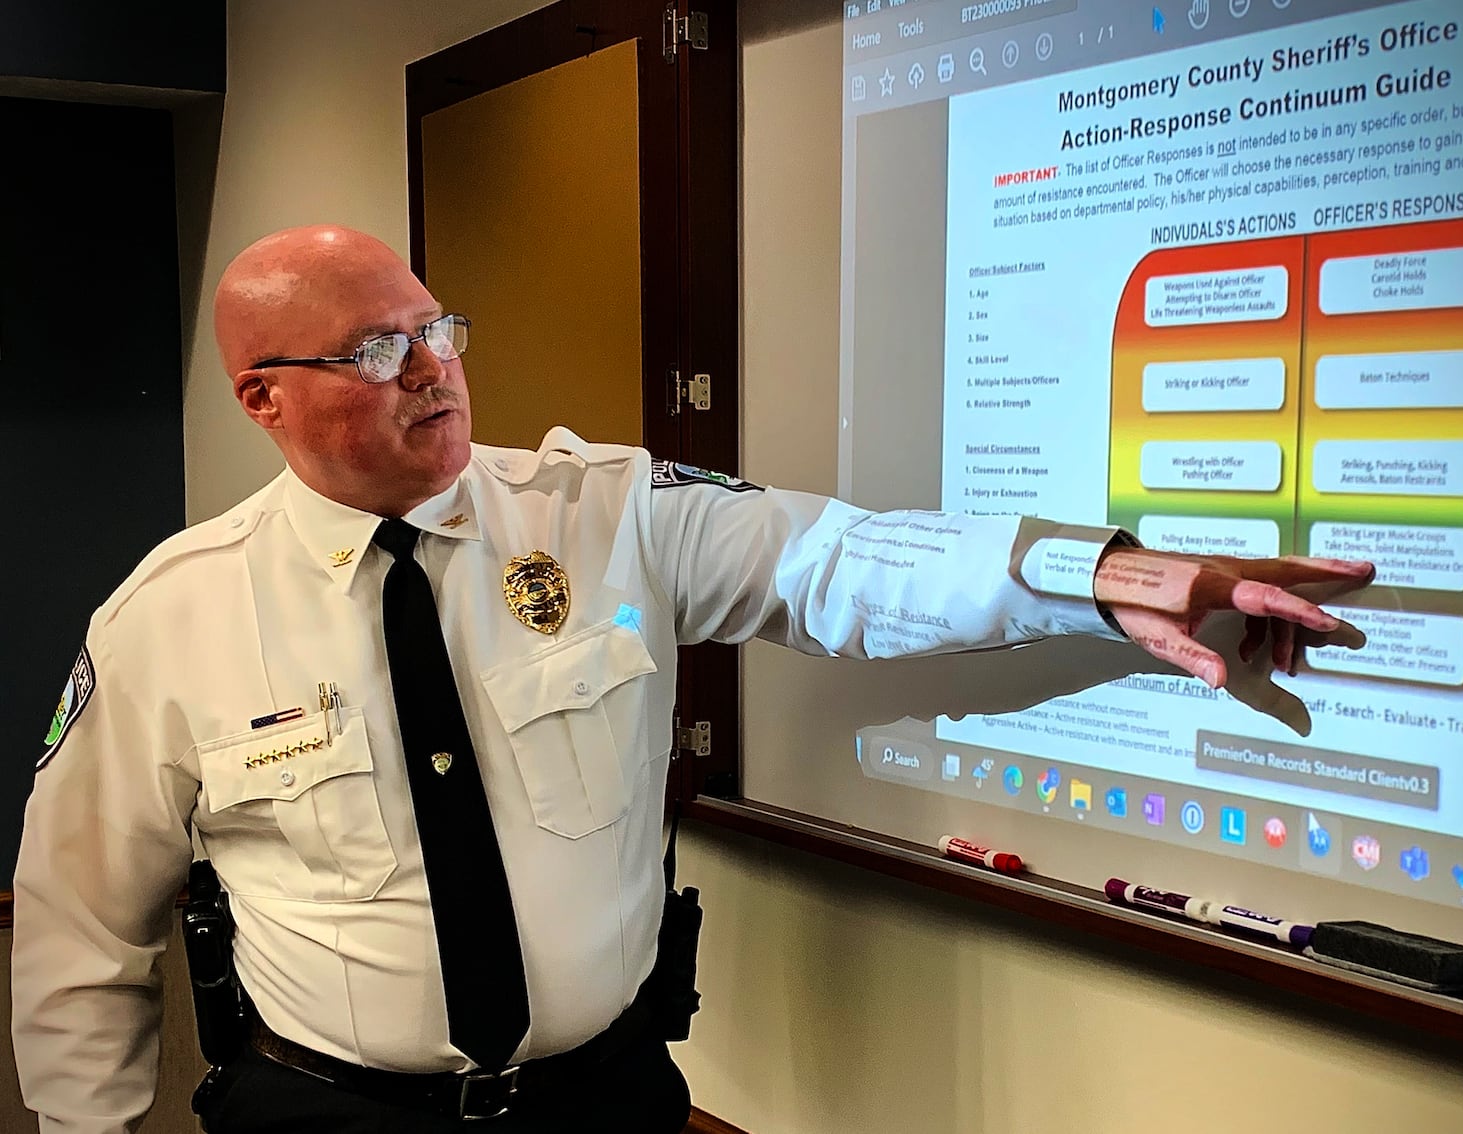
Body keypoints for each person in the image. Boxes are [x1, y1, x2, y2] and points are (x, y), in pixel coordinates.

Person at [10, 225, 1373, 1133]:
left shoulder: (611, 511)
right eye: (378, 351)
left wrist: (1109, 573)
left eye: (439, 328)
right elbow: (80, 932)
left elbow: (851, 562)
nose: (435, 370)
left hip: (602, 1103)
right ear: (264, 395)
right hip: (326, 1112)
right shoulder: (167, 621)